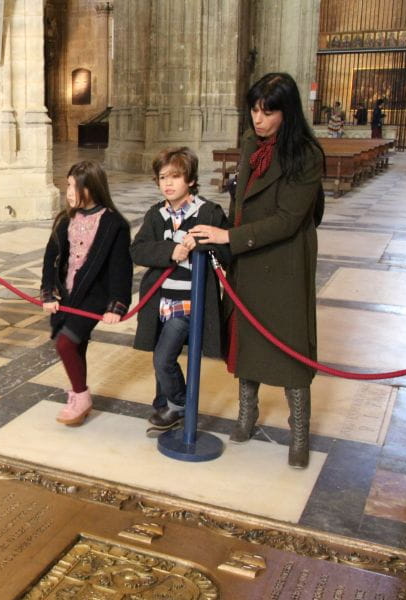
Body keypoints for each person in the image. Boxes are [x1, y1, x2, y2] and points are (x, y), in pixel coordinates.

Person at [191, 72, 324, 468]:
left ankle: (299, 433)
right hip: (248, 258)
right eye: (254, 109)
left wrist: (229, 237)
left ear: (287, 111)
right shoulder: (252, 144)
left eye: (268, 111)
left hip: (284, 260)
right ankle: (246, 415)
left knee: (291, 346)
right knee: (246, 337)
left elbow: (287, 220)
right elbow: (241, 205)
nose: (258, 119)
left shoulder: (306, 153)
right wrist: (227, 236)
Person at [130, 147, 232, 438]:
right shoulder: (156, 214)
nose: (168, 183)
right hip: (160, 299)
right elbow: (138, 250)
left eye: (175, 176)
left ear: (190, 180)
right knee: (163, 354)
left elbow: (227, 251)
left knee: (163, 357)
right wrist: (170, 250)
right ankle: (166, 404)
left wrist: (204, 241)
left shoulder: (208, 212)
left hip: (190, 301)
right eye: (163, 177)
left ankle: (178, 404)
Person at [41, 161, 132, 427]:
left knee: (65, 343)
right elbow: (51, 258)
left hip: (95, 296)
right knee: (74, 344)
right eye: (67, 184)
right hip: (67, 293)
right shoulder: (65, 218)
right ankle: (79, 393)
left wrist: (116, 305)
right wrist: (49, 292)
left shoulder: (114, 224)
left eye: (74, 186)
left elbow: (120, 269)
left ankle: (81, 396)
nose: (68, 191)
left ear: (91, 188)